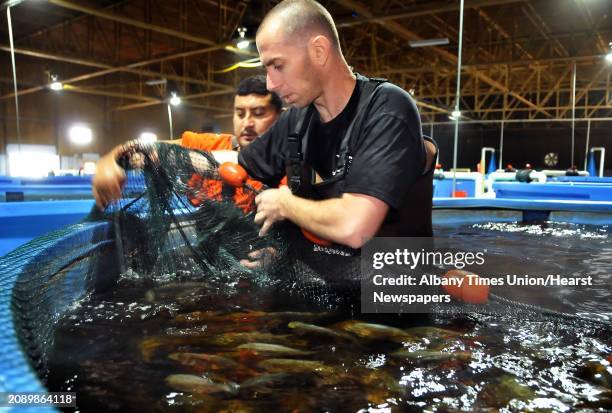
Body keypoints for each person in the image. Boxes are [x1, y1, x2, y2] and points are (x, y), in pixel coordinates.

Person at [237, 0, 437, 248]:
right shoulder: (296, 120)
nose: (271, 84)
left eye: (278, 66)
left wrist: (284, 204)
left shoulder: (387, 109)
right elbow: (241, 163)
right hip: (321, 278)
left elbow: (354, 226)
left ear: (319, 51)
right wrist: (186, 156)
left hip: (388, 281)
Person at [92, 75, 282, 209]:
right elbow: (148, 150)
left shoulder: (290, 168)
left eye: (258, 114)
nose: (247, 123)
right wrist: (110, 161)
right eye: (240, 114)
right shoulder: (207, 146)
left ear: (281, 118)